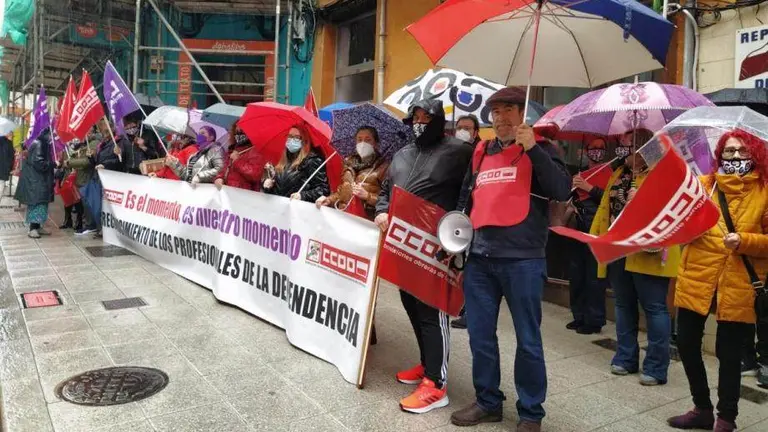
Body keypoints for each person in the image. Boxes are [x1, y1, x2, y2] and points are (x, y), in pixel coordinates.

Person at [448, 87, 571, 432]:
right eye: (495, 112)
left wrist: (533, 150)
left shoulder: (543, 149)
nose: (500, 118)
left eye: (507, 111)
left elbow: (561, 190)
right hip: (480, 259)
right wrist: (456, 234)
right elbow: (465, 198)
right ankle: (488, 401)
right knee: (480, 336)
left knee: (527, 339)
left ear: (522, 113)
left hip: (523, 261)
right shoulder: (481, 151)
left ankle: (531, 412)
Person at [374, 97, 473, 414]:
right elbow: (387, 192)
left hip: (435, 246)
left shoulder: (459, 152)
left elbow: (469, 193)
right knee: (410, 304)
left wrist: (457, 226)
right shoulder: (402, 155)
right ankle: (427, 363)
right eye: (414, 116)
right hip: (403, 245)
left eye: (424, 116)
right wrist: (380, 211)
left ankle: (436, 384)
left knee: (432, 312)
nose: (418, 122)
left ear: (438, 119)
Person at [667, 130, 768, 432]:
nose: (735, 157)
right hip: (697, 277)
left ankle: (726, 418)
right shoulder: (704, 185)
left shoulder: (764, 192)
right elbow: (679, 223)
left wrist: (745, 241)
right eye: (728, 151)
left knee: (730, 355)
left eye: (742, 151)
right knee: (685, 343)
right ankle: (702, 408)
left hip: (738, 283)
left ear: (755, 155)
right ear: (719, 155)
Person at [591, 128, 679, 386]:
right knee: (622, 304)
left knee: (654, 307)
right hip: (618, 249)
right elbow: (605, 207)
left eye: (631, 144)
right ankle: (625, 357)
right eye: (624, 143)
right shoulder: (619, 173)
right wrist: (596, 237)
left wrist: (642, 201)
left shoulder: (664, 175)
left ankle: (655, 366)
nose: (625, 149)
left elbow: (671, 211)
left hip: (649, 251)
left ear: (647, 148)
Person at [565, 137, 614, 335]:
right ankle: (579, 315)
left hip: (597, 227)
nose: (597, 152)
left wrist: (588, 188)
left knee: (594, 275)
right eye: (593, 148)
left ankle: (594, 319)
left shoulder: (610, 172)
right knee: (577, 273)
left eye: (600, 148)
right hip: (579, 226)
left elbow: (610, 198)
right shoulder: (581, 173)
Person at [316, 126, 389, 219]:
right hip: (343, 216)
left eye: (368, 140)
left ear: (375, 144)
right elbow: (341, 191)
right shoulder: (348, 162)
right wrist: (329, 200)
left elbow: (387, 201)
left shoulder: (384, 167)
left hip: (364, 220)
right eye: (359, 139)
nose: (363, 143)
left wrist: (368, 196)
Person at [262, 125, 330, 202]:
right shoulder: (284, 159)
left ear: (304, 140)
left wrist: (303, 196)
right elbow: (280, 189)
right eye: (290, 136)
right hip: (278, 208)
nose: (292, 140)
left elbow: (323, 190)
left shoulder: (313, 160)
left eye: (297, 137)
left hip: (298, 210)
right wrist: (268, 186)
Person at [15, 130, 55, 239]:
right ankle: (32, 228)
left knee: (41, 203)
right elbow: (39, 163)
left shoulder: (41, 142)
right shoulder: (40, 144)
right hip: (36, 180)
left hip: (38, 179)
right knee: (37, 203)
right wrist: (52, 164)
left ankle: (38, 226)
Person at [62, 139, 98, 235]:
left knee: (87, 204)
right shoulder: (82, 145)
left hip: (87, 178)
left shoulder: (93, 142)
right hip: (80, 178)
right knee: (82, 203)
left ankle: (89, 225)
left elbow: (86, 162)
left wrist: (70, 162)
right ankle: (83, 223)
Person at [214, 125, 264, 191]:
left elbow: (255, 175)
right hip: (228, 191)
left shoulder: (255, 151)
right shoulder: (232, 150)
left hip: (244, 194)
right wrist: (219, 177)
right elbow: (225, 168)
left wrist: (237, 160)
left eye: (242, 131)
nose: (239, 134)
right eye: (237, 132)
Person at [0, 131, 15, 198]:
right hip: (3, 170)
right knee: (0, 187)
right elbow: (10, 157)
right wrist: (10, 169)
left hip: (3, 169)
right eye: (12, 134)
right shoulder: (8, 143)